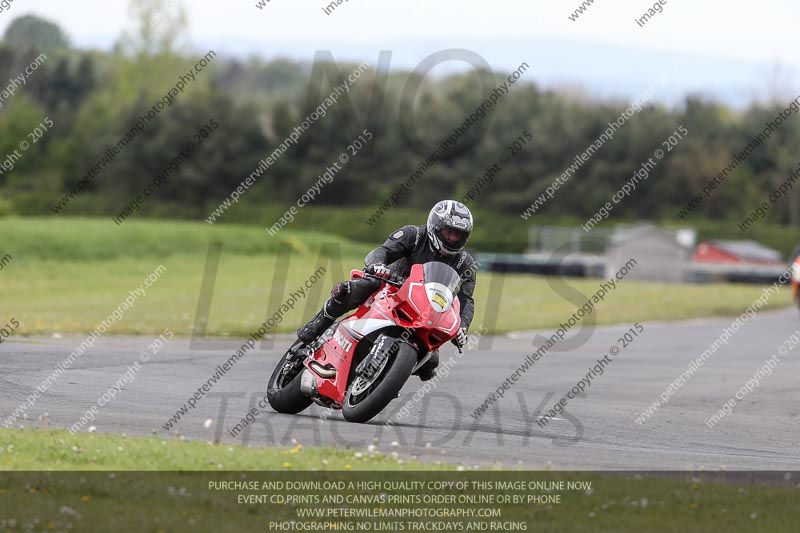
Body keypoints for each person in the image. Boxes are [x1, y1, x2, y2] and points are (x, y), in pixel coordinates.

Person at [295, 200, 478, 380]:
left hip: (425, 310)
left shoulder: (465, 262)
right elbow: (383, 251)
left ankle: (386, 378)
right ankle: (314, 329)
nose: (453, 238)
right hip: (390, 289)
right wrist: (378, 265)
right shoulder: (413, 235)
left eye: (459, 234)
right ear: (436, 226)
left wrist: (462, 327)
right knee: (351, 290)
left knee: (430, 363)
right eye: (449, 232)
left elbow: (465, 298)